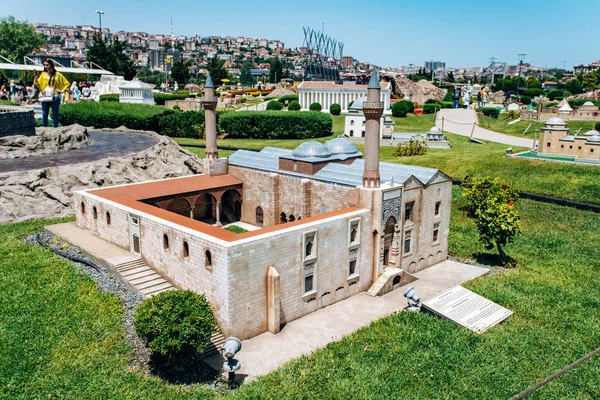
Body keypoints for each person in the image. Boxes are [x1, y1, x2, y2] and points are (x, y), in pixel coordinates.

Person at [34, 58, 70, 128]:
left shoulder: (57, 74)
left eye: (47, 65)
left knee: (55, 114)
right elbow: (38, 84)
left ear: (51, 65)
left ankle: (55, 128)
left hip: (54, 96)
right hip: (45, 95)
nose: (45, 66)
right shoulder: (43, 74)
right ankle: (45, 128)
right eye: (44, 65)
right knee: (44, 113)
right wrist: (36, 78)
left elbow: (67, 83)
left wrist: (62, 90)